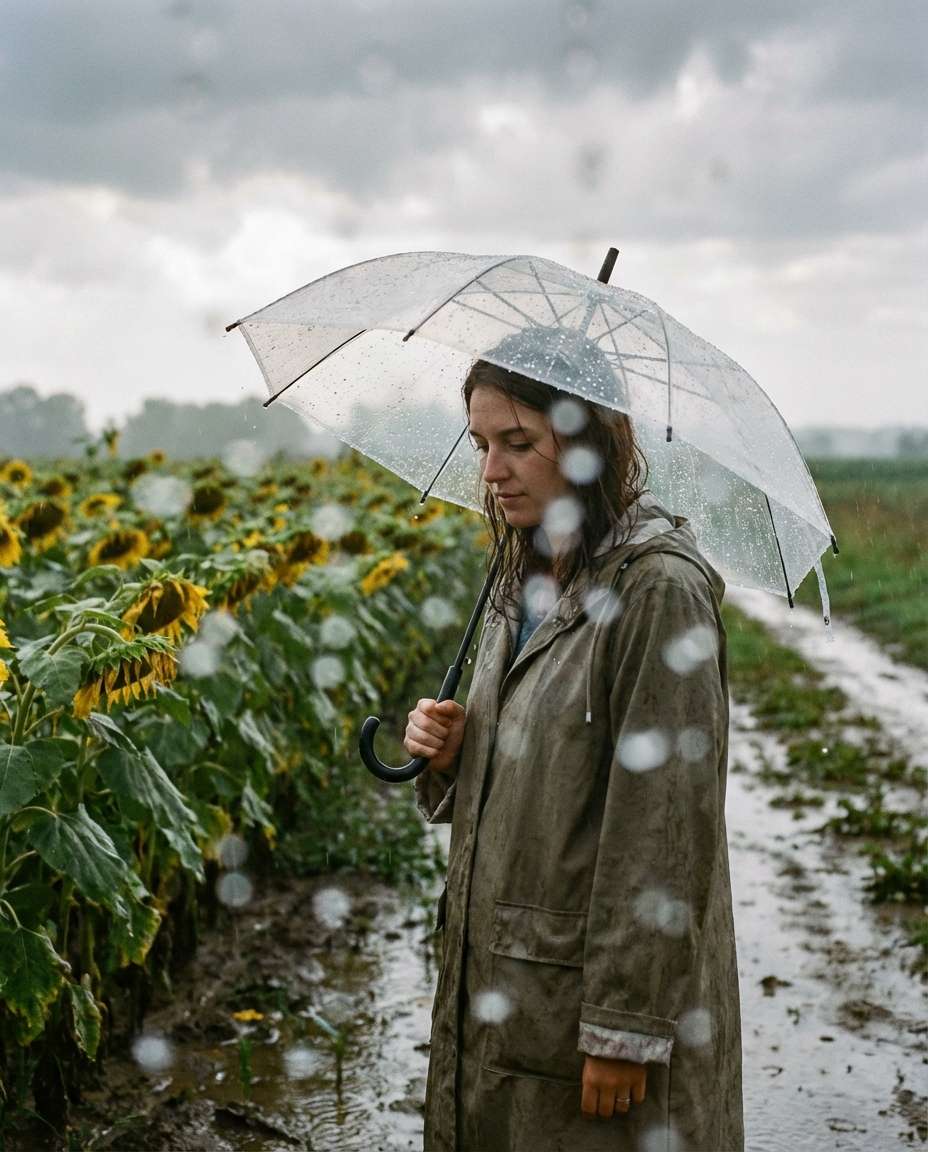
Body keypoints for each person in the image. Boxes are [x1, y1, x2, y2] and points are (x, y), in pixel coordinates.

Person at [404, 339, 744, 1152]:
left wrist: (624, 1029)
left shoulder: (656, 592)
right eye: (484, 443)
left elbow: (663, 826)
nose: (492, 470)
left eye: (518, 443)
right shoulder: (525, 574)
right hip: (505, 978)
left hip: (590, 996)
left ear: (589, 441)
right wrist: (452, 752)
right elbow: (548, 765)